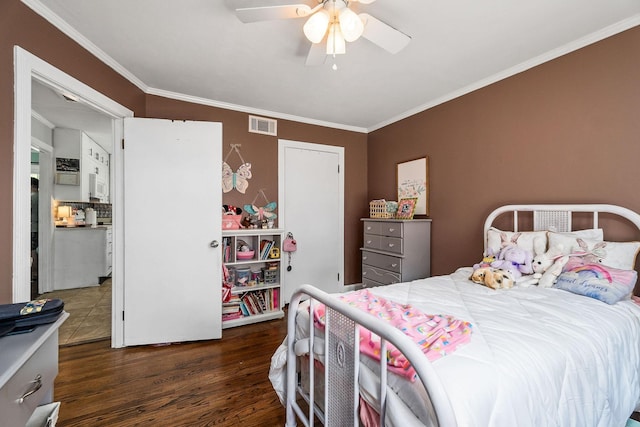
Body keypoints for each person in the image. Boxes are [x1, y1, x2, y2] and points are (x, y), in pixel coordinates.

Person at [31, 177, 39, 293]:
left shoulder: (32, 198)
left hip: (33, 227)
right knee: (37, 250)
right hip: (40, 228)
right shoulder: (42, 197)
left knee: (32, 251)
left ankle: (34, 273)